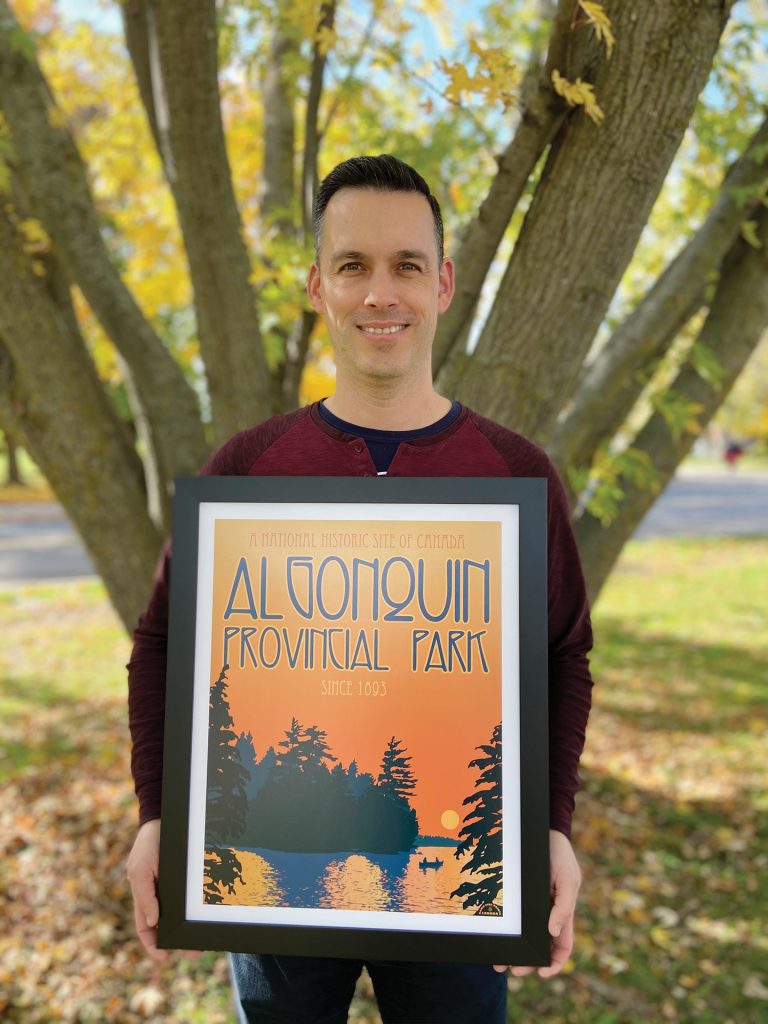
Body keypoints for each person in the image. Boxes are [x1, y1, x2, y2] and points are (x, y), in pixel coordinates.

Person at [127, 154, 594, 1023]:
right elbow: (162, 642)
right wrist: (161, 813)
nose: (381, 293)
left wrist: (553, 827)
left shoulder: (516, 475)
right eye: (353, 266)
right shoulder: (248, 468)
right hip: (276, 903)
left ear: (444, 283)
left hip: (461, 898)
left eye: (406, 266)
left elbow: (565, 656)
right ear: (318, 285)